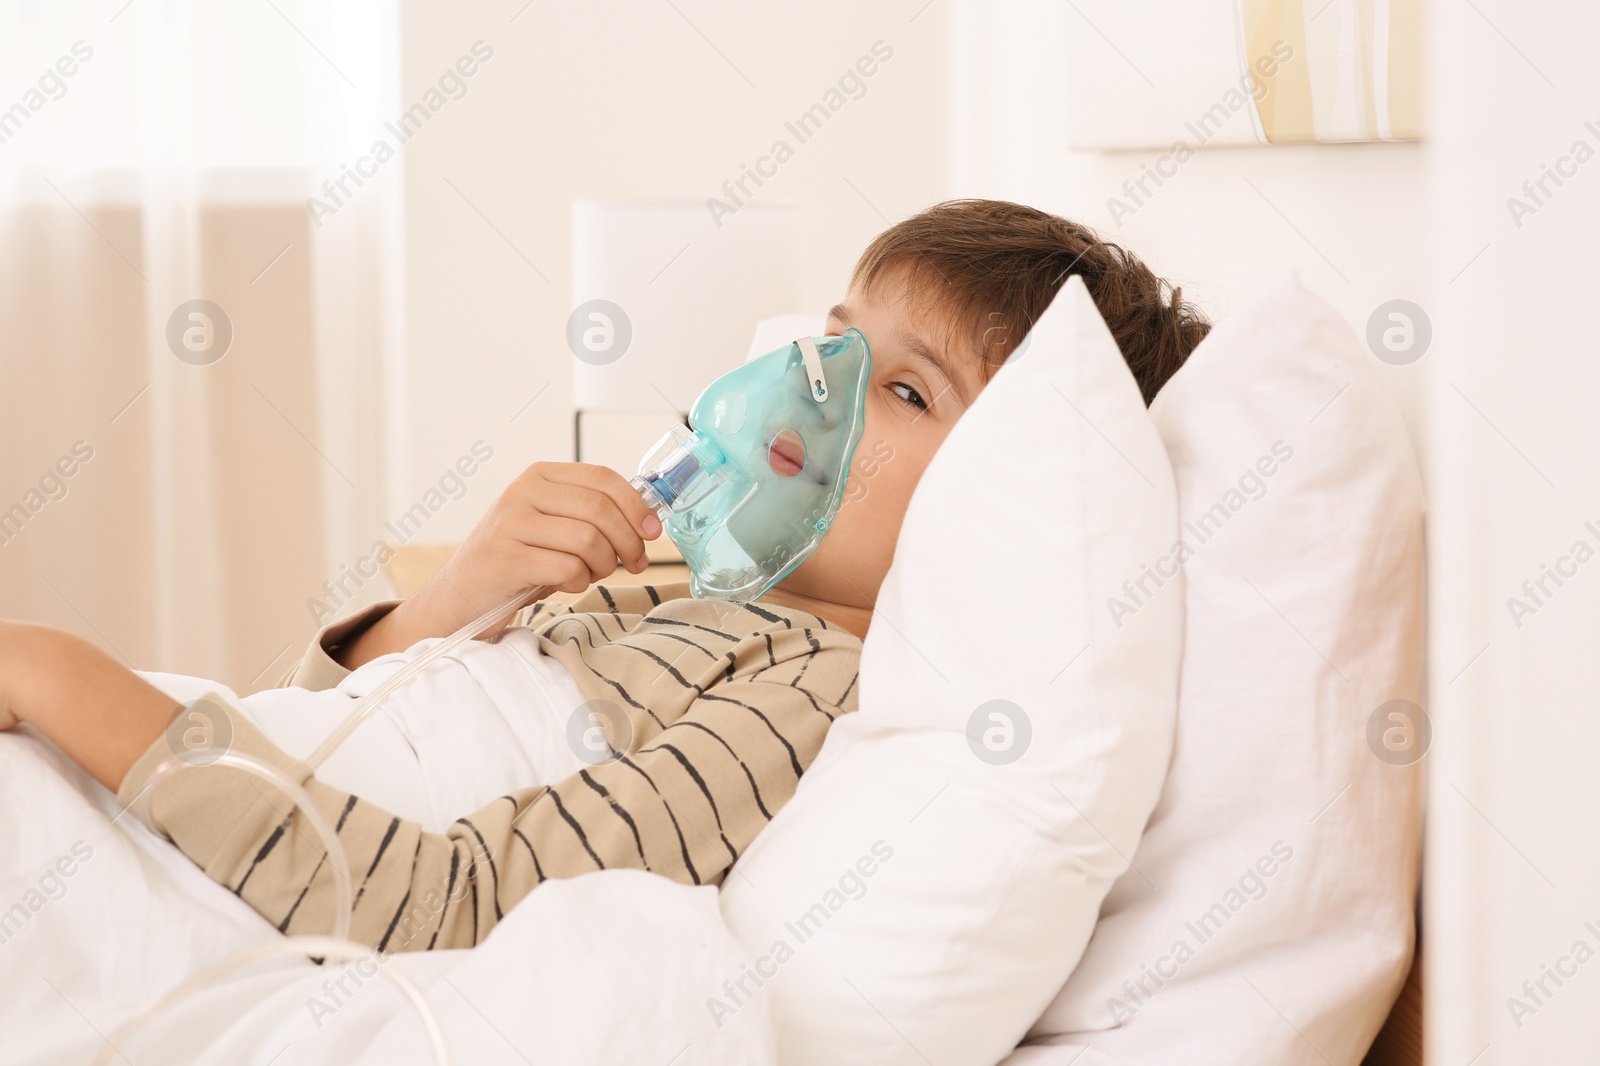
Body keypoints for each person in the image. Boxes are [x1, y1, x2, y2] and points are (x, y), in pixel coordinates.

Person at [0, 200, 1211, 952]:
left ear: (1003, 502)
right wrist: (446, 605)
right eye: (836, 334)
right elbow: (317, 741)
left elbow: (437, 904)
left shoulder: (806, 694)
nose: (820, 380)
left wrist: (56, 669)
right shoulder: (682, 584)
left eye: (904, 389)